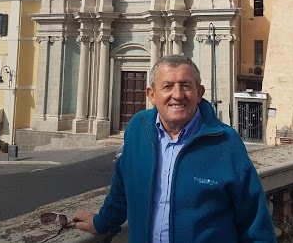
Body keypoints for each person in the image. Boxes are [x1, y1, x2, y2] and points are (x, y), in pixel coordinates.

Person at [73, 54, 277, 242]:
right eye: (168, 86)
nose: (177, 95)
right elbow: (122, 189)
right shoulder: (137, 128)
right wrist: (101, 222)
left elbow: (255, 221)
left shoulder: (226, 142)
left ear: (199, 93)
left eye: (185, 85)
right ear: (151, 95)